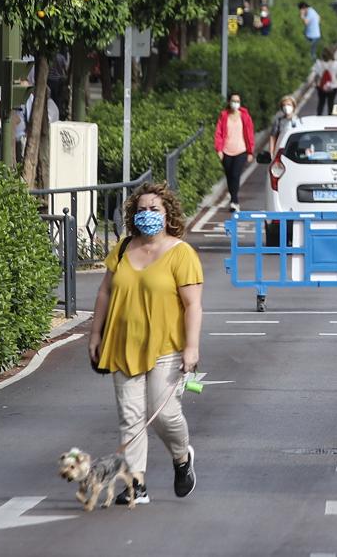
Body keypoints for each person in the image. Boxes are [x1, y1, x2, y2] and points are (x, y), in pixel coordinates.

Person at [88, 182, 203, 505]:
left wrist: (191, 348)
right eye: (141, 210)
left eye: (154, 209)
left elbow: (193, 304)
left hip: (167, 348)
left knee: (163, 414)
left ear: (168, 215)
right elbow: (105, 293)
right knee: (131, 416)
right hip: (123, 345)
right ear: (132, 215)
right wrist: (95, 334)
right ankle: (135, 484)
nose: (147, 215)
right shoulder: (124, 248)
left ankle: (182, 458)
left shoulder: (181, 254)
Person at [214, 93, 254, 212]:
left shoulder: (245, 116)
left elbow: (250, 133)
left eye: (237, 101)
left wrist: (250, 151)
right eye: (233, 101)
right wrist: (219, 149)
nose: (235, 103)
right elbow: (218, 133)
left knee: (236, 175)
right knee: (229, 176)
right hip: (226, 151)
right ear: (229, 102)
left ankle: (234, 201)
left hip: (241, 150)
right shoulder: (224, 116)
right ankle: (233, 198)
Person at [309, 47, 337, 115]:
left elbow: (316, 76)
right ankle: (330, 116)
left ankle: (319, 115)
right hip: (333, 86)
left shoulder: (318, 63)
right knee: (331, 102)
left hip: (321, 86)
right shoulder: (336, 64)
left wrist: (316, 84)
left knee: (321, 102)